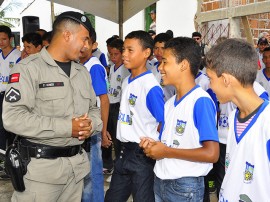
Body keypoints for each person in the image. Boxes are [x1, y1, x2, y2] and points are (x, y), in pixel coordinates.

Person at [2, 11, 102, 201]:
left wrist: (90, 125)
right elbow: (12, 118)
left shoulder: (82, 72)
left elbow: (94, 109)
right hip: (40, 175)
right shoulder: (28, 69)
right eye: (85, 39)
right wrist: (67, 127)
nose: (87, 46)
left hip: (76, 170)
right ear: (67, 35)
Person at [140, 37, 219, 201]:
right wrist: (153, 145)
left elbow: (212, 153)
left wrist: (166, 151)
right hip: (161, 180)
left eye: (165, 62)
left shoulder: (200, 101)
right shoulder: (169, 103)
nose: (160, 68)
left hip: (184, 186)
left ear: (183, 65)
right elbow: (172, 143)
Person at [205, 38, 270, 201]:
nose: (210, 86)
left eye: (211, 79)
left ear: (226, 80)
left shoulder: (267, 122)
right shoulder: (235, 116)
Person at [104, 30, 164, 202]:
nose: (124, 54)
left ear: (146, 53)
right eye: (124, 50)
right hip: (123, 153)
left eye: (130, 50)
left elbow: (164, 120)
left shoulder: (150, 86)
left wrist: (156, 146)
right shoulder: (126, 80)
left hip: (141, 156)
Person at [80, 27, 111, 202]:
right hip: (83, 128)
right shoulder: (79, 64)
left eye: (87, 42)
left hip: (93, 130)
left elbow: (104, 100)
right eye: (80, 41)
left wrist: (103, 131)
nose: (83, 46)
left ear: (94, 45)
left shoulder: (94, 67)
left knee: (93, 175)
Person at [102, 38, 130, 177]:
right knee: (109, 133)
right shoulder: (112, 68)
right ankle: (109, 165)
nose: (113, 57)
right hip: (110, 103)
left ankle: (120, 166)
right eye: (110, 54)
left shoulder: (125, 69)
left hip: (119, 106)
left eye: (116, 54)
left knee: (118, 138)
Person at [0, 25, 21, 178]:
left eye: (4, 39)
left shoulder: (18, 56)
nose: (1, 42)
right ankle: (2, 161)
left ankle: (13, 160)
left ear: (11, 39)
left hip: (12, 97)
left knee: (10, 129)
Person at [152, 33, 175, 101]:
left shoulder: (175, 71)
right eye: (156, 48)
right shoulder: (151, 71)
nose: (159, 52)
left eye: (163, 48)